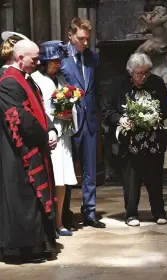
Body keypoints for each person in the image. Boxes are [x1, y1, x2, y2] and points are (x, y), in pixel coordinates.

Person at [0, 40, 58, 262]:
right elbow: (21, 119)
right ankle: (23, 249)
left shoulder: (27, 80)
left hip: (35, 143)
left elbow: (39, 111)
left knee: (33, 200)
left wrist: (51, 130)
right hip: (19, 152)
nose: (39, 62)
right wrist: (44, 137)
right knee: (23, 199)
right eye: (34, 59)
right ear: (19, 58)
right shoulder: (8, 83)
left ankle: (38, 245)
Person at [102, 53, 167, 227]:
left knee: (155, 177)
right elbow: (107, 110)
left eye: (146, 73)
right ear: (131, 72)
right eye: (139, 73)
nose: (143, 77)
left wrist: (155, 116)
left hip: (152, 141)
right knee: (131, 180)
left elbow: (165, 108)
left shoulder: (157, 83)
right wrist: (121, 119)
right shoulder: (118, 85)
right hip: (129, 142)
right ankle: (131, 214)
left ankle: (159, 212)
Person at [60, 18, 105, 229]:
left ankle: (89, 212)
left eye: (88, 38)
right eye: (81, 39)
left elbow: (96, 88)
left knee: (90, 169)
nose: (85, 43)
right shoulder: (61, 57)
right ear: (70, 36)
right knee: (68, 168)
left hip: (90, 121)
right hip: (69, 121)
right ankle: (64, 213)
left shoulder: (93, 57)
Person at [32, 41, 78, 236]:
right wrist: (55, 115)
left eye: (59, 60)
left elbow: (69, 101)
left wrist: (69, 110)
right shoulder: (35, 79)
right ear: (43, 61)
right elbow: (37, 109)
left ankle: (59, 222)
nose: (58, 64)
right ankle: (49, 224)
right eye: (54, 60)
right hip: (49, 136)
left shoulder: (60, 78)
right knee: (51, 178)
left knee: (62, 181)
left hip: (63, 135)